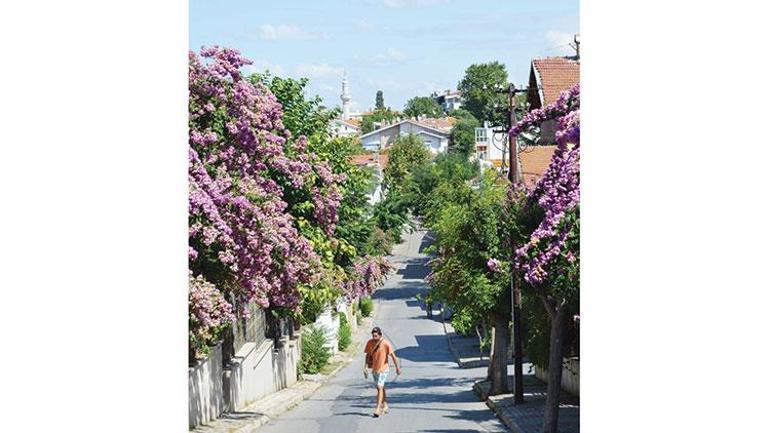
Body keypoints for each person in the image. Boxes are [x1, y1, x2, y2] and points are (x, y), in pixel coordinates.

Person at [363, 326, 401, 417]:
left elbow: (393, 356)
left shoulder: (386, 343)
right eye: (373, 336)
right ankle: (385, 405)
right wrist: (365, 367)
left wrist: (397, 368)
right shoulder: (370, 343)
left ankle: (378, 408)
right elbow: (368, 355)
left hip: (384, 369)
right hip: (375, 369)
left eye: (376, 336)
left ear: (380, 335)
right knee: (380, 388)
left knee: (380, 387)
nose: (374, 337)